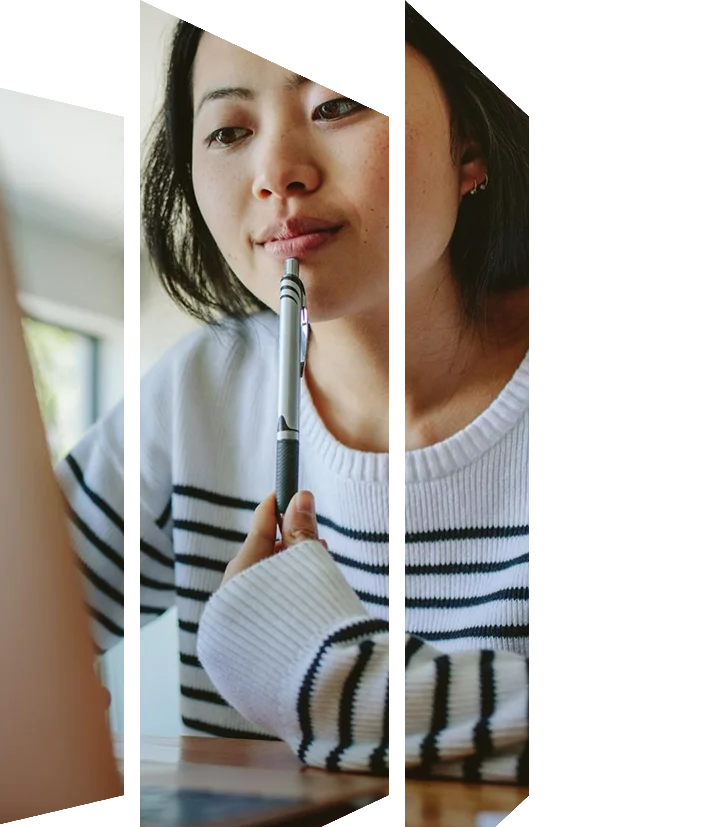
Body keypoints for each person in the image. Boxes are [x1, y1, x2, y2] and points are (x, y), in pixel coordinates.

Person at [59, 9, 531, 783]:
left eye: (339, 103)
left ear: (470, 145)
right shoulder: (198, 390)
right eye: (228, 132)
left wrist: (334, 681)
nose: (276, 173)